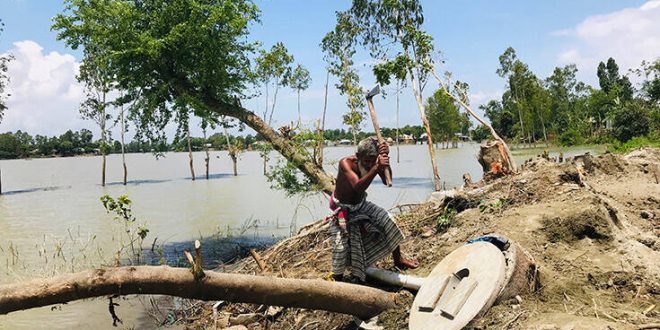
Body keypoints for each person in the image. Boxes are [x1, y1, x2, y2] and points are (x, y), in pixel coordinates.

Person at [329, 136, 419, 282]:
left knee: (388, 220)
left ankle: (398, 260)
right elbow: (358, 187)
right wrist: (377, 166)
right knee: (340, 248)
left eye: (373, 160)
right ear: (358, 157)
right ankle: (337, 280)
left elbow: (386, 180)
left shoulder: (374, 163)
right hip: (342, 208)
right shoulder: (345, 163)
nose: (369, 164)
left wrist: (385, 161)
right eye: (366, 161)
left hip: (361, 205)